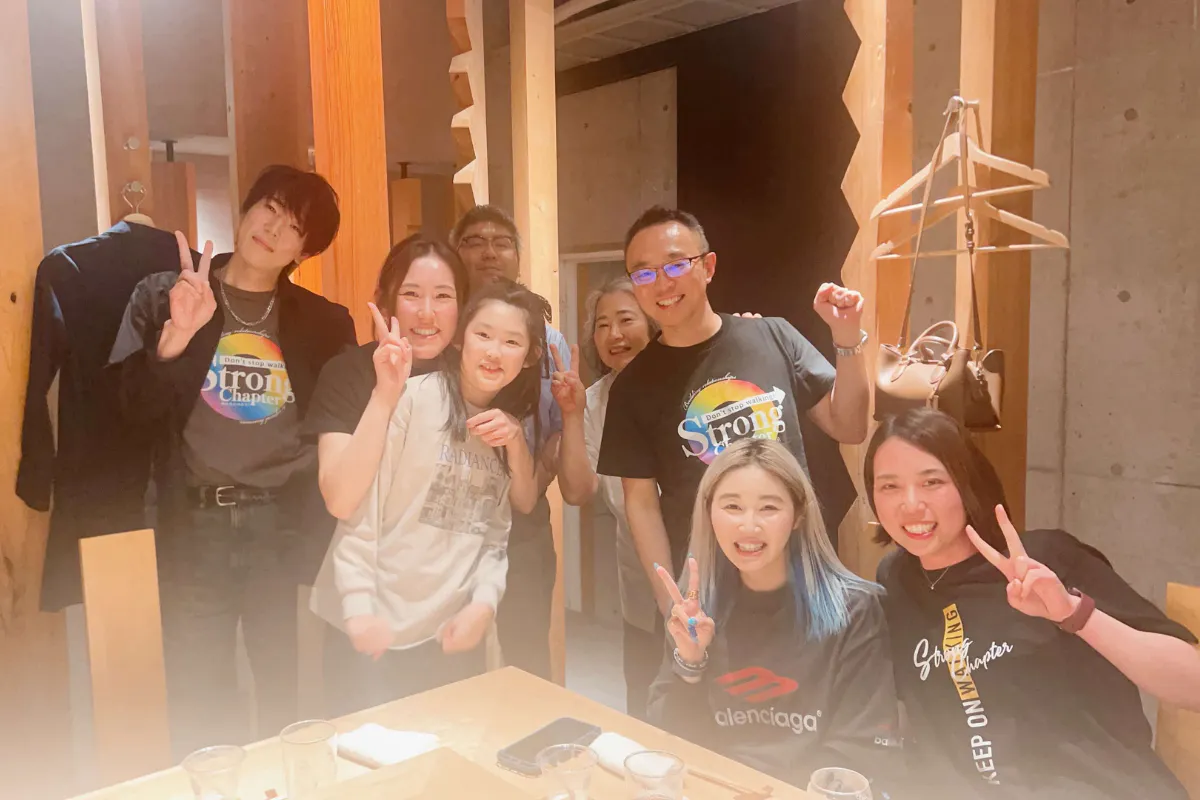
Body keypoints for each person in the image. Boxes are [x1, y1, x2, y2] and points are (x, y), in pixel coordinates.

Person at [108, 165, 355, 756]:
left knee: (287, 691)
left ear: (305, 252)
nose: (273, 228)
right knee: (199, 691)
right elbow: (125, 414)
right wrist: (174, 340)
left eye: (294, 227)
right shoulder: (167, 294)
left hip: (283, 525)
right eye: (269, 208)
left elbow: (343, 423)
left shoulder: (324, 324)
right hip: (194, 522)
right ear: (246, 209)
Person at [867, 408, 1200, 799]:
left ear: (968, 482)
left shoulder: (1047, 560)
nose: (910, 504)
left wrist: (1073, 614)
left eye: (932, 481)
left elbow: (1193, 685)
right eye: (889, 486)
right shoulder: (896, 580)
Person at [597, 206, 871, 619]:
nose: (662, 283)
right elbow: (641, 505)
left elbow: (849, 426)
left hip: (799, 572)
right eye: (644, 273)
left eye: (676, 264)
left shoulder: (773, 335)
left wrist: (847, 338)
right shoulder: (631, 388)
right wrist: (671, 602)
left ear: (708, 267)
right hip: (708, 590)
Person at [311, 279, 547, 714]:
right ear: (460, 339)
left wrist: (483, 603)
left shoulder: (503, 431)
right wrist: (359, 607)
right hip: (372, 629)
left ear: (530, 356)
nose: (494, 352)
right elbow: (362, 513)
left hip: (447, 636)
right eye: (483, 334)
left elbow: (494, 536)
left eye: (512, 342)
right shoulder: (413, 400)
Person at [647, 438, 901, 791]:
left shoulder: (854, 610)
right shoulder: (695, 610)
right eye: (732, 506)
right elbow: (672, 742)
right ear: (709, 513)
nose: (749, 525)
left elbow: (858, 752)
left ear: (798, 515)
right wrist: (690, 664)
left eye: (768, 508)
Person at [450, 205, 568, 679]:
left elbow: (558, 428)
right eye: (475, 242)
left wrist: (535, 477)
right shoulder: (445, 331)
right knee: (452, 659)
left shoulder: (550, 341)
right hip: (451, 519)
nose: (489, 252)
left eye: (501, 243)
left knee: (527, 655)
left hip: (524, 519)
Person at [551, 277, 660, 718]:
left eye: (626, 320)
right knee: (646, 700)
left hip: (713, 579)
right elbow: (578, 491)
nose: (614, 334)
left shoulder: (694, 384)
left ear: (653, 324)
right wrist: (572, 415)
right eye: (602, 325)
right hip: (643, 585)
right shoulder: (595, 403)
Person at [304, 235, 470, 519]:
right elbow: (340, 501)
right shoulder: (347, 373)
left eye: (443, 296)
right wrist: (384, 395)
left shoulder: (472, 376)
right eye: (411, 294)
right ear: (385, 303)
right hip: (372, 545)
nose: (427, 313)